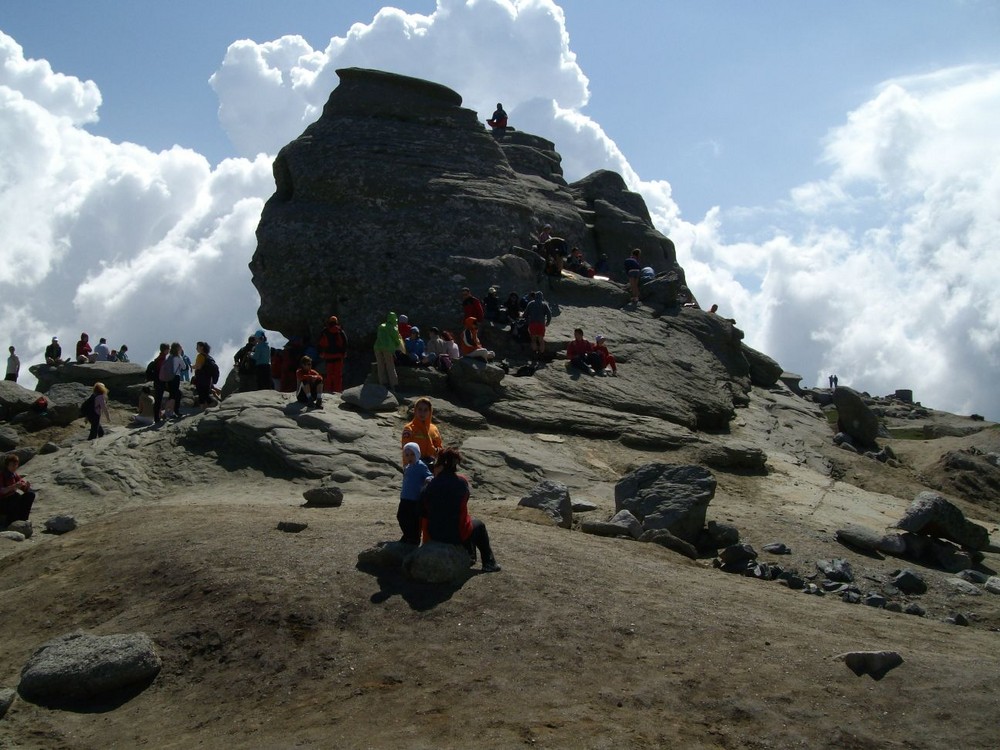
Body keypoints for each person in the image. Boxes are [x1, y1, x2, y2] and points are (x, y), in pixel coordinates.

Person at [421, 446, 500, 572]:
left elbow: (423, 507)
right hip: (455, 534)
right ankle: (489, 563)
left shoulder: (430, 485)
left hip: (434, 533)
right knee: (478, 525)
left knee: (465, 522)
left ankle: (470, 556)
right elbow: (464, 502)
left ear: (440, 465)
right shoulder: (462, 481)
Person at [398, 442, 433, 545]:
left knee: (414, 520)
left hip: (415, 499)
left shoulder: (421, 465)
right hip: (405, 497)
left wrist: (428, 479)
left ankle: (414, 538)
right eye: (407, 455)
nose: (410, 457)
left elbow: (429, 475)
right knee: (401, 516)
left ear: (417, 454)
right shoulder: (407, 467)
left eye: (412, 454)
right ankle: (407, 535)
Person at [401, 396, 444, 465]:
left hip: (430, 464)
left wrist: (435, 451)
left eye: (426, 410)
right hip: (413, 465)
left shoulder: (433, 429)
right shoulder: (409, 428)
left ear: (430, 412)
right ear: (415, 410)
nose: (422, 413)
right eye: (420, 409)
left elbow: (440, 449)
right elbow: (406, 449)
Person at [374, 312, 406, 391]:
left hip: (377, 347)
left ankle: (383, 383)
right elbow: (397, 339)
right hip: (387, 348)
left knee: (380, 365)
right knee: (390, 366)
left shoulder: (381, 326)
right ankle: (394, 385)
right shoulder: (393, 327)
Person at [0, 453, 35, 526]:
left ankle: (23, 519)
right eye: (13, 465)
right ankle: (11, 521)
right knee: (15, 496)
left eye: (16, 465)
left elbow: (23, 488)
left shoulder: (14, 475)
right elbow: (2, 491)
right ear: (7, 465)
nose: (15, 467)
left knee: (30, 495)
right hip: (3, 502)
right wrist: (13, 486)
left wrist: (26, 487)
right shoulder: (2, 475)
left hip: (12, 499)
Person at [317, 316, 348, 394]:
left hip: (328, 356)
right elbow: (345, 343)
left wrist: (320, 353)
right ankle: (337, 391)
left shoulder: (325, 331)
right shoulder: (340, 331)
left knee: (329, 375)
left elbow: (320, 343)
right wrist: (344, 353)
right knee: (338, 375)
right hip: (339, 356)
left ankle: (328, 390)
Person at [158, 342, 185, 420]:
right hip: (176, 377)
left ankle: (170, 412)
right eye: (180, 348)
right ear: (177, 349)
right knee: (173, 396)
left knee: (172, 395)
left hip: (169, 378)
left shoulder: (170, 356)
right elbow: (184, 367)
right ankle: (167, 413)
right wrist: (181, 356)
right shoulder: (178, 357)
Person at [523, 290, 552, 362]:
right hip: (541, 324)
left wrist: (526, 319)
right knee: (541, 340)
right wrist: (548, 322)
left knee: (533, 339)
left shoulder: (531, 303)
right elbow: (549, 314)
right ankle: (541, 354)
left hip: (532, 324)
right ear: (542, 297)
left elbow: (525, 314)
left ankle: (534, 353)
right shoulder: (544, 304)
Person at [192, 342, 220, 408]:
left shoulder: (200, 356)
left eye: (197, 347)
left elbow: (198, 366)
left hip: (201, 378)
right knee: (206, 395)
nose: (196, 348)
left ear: (202, 347)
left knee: (201, 395)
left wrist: (192, 366)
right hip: (208, 379)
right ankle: (210, 406)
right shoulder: (209, 357)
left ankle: (204, 409)